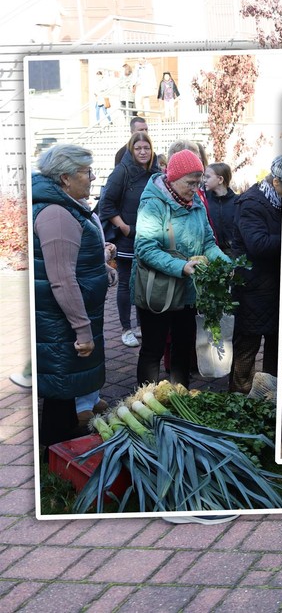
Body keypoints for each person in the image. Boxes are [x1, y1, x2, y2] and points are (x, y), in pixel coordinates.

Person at [31, 144, 114, 447]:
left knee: (63, 391)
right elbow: (63, 280)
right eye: (86, 172)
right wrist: (83, 331)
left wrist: (102, 270)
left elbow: (75, 265)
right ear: (65, 178)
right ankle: (54, 456)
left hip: (61, 321)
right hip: (60, 325)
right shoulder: (56, 214)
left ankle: (59, 448)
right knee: (60, 392)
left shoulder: (64, 207)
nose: (92, 177)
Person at [132, 149, 230, 388]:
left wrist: (225, 262)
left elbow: (208, 242)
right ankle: (146, 399)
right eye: (190, 182)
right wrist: (182, 266)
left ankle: (180, 393)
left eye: (199, 182)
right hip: (158, 290)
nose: (196, 188)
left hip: (187, 290)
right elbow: (145, 248)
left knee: (183, 344)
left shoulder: (196, 201)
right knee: (153, 348)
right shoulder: (152, 204)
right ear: (173, 178)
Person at [97, 130, 161, 348]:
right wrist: (123, 227)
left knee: (145, 284)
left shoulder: (156, 173)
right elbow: (106, 204)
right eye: (138, 148)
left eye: (146, 148)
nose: (143, 152)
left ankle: (142, 326)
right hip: (127, 239)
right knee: (125, 283)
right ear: (131, 150)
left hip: (150, 238)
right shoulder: (121, 172)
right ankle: (126, 328)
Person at [227, 156, 282, 394]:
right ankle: (237, 400)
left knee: (274, 348)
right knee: (247, 349)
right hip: (253, 288)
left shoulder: (277, 200)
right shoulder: (251, 202)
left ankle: (269, 398)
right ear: (276, 181)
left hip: (272, 286)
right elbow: (258, 244)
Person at [197, 162, 239, 254]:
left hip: (234, 253)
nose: (204, 180)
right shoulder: (203, 201)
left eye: (208, 177)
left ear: (220, 179)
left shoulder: (237, 202)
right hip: (212, 251)